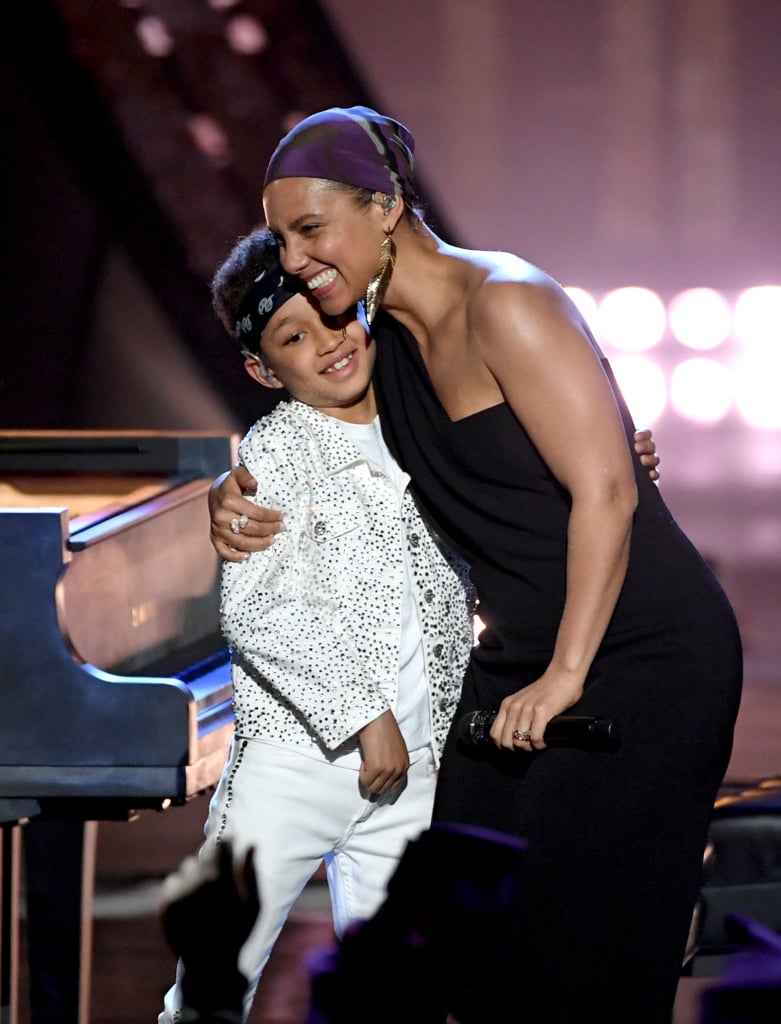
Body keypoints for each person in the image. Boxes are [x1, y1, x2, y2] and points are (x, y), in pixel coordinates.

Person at [208, 106, 743, 1023]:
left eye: (308, 230)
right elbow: (329, 447)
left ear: (384, 207)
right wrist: (234, 497)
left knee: (584, 963)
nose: (293, 260)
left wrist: (564, 676)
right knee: (470, 943)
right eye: (281, 239)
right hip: (523, 662)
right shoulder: (384, 343)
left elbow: (607, 493)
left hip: (637, 655)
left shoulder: (506, 300)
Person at [159, 228, 475, 1024]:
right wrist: (366, 718)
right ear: (262, 369)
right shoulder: (276, 451)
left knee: (392, 991)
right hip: (292, 767)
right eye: (292, 336)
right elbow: (260, 608)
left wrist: (623, 453)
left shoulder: (420, 416)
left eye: (332, 316)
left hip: (413, 769)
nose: (328, 343)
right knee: (213, 979)